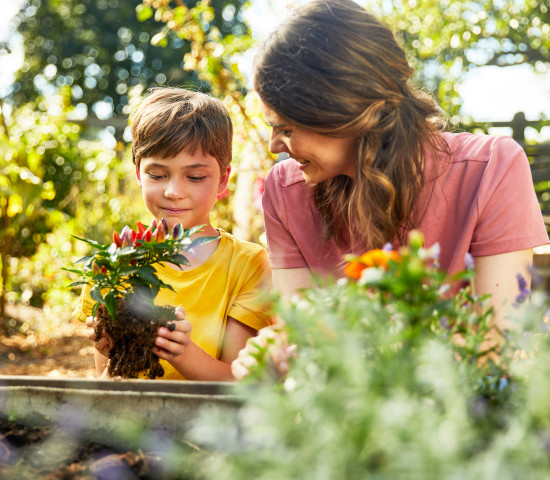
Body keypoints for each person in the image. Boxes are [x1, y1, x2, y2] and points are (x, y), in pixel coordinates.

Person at [231, 0, 548, 379]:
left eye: (285, 129)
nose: (273, 146)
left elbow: (491, 348)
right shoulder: (285, 192)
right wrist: (277, 358)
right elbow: (302, 337)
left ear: (346, 111)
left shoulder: (491, 169)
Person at [73, 87, 273, 381]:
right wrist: (111, 350)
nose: (173, 192)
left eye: (195, 177)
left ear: (222, 179)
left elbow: (239, 382)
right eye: (157, 174)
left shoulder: (247, 264)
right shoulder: (112, 265)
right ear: (139, 175)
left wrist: (182, 352)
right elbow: (107, 384)